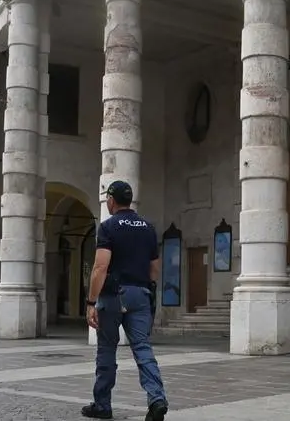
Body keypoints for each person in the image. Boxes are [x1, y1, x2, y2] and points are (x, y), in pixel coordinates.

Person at [82, 180, 168, 421]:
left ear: (111, 200)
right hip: (140, 294)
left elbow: (100, 267)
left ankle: (102, 405)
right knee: (142, 348)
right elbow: (154, 268)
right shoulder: (147, 228)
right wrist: (147, 291)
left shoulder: (108, 227)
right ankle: (157, 399)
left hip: (113, 295)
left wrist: (91, 302)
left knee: (107, 349)